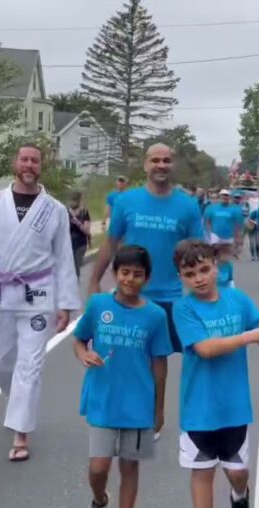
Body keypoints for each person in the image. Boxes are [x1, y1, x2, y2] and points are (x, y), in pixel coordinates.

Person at [0, 143, 80, 462]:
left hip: (37, 295)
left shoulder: (54, 210)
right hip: (0, 293)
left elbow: (63, 259)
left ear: (42, 166)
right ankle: (17, 402)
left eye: (35, 160)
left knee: (29, 366)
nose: (29, 164)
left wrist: (66, 303)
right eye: (24, 159)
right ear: (15, 163)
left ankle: (20, 434)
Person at [171, 240, 259, 508]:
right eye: (190, 274)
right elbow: (205, 348)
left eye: (204, 270)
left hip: (234, 407)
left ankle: (239, 494)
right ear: (182, 277)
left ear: (216, 267)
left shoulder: (238, 300)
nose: (199, 278)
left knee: (236, 471)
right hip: (198, 409)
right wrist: (250, 336)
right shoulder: (183, 309)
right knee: (201, 474)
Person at [72, 245, 171, 508]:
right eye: (125, 272)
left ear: (147, 277)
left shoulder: (155, 315)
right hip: (103, 399)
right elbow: (79, 339)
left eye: (137, 274)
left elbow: (160, 364)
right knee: (98, 466)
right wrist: (84, 354)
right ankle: (100, 500)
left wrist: (159, 408)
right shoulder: (99, 305)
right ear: (116, 274)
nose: (130, 279)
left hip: (138, 404)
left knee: (130, 467)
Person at [88, 143, 205, 355]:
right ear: (145, 165)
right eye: (155, 160)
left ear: (173, 165)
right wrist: (94, 281)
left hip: (171, 299)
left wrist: (205, 295)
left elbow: (199, 254)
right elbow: (110, 243)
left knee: (161, 360)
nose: (161, 165)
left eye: (166, 160)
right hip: (130, 294)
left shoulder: (188, 206)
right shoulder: (126, 201)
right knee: (125, 357)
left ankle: (156, 391)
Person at [67, 191, 91, 278]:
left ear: (78, 201)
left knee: (75, 268)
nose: (72, 203)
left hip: (80, 245)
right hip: (67, 245)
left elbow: (87, 231)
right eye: (71, 200)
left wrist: (77, 223)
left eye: (74, 201)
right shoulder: (64, 211)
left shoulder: (84, 213)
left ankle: (74, 287)